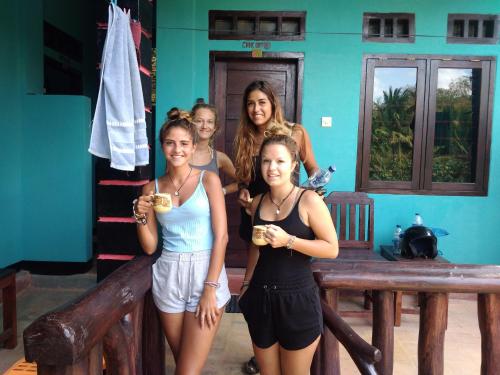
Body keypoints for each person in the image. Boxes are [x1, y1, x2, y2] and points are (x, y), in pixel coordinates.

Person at [133, 110, 231, 374]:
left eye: (184, 143)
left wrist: (210, 288)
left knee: (186, 370)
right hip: (169, 274)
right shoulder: (151, 189)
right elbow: (151, 246)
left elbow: (222, 236)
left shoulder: (208, 180)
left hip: (205, 273)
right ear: (162, 145)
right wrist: (140, 216)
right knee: (185, 364)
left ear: (193, 146)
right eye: (170, 143)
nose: (177, 149)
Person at [233, 80, 321, 374]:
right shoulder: (245, 138)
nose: (256, 109)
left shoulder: (296, 131)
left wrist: (310, 198)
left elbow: (314, 171)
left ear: (273, 103)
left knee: (287, 274)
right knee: (259, 271)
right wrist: (245, 193)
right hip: (258, 212)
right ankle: (264, 347)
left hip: (292, 215)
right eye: (250, 103)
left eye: (261, 102)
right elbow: (246, 180)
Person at [238, 134, 339, 375]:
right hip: (261, 299)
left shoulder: (309, 200)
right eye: (265, 161)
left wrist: (288, 241)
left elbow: (331, 248)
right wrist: (246, 283)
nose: (272, 167)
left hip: (297, 301)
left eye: (279, 161)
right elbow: (255, 246)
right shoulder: (257, 203)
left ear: (294, 164)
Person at [190, 102, 238, 195]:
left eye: (210, 122)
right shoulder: (180, 153)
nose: (204, 126)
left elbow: (242, 182)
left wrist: (222, 191)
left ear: (215, 127)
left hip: (213, 209)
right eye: (199, 121)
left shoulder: (219, 158)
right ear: (191, 123)